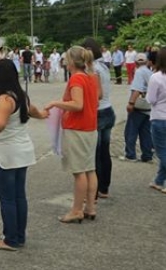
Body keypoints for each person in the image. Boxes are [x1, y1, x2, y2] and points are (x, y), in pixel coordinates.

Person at [0, 59, 48, 251]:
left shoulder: (3, 99)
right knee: (19, 196)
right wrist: (45, 113)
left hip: (5, 154)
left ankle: (10, 238)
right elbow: (35, 112)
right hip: (22, 151)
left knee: (8, 199)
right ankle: (19, 236)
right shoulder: (21, 96)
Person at [45, 46, 99, 223]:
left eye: (66, 59)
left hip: (77, 129)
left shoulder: (76, 78)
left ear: (71, 62)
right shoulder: (91, 77)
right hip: (90, 128)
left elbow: (77, 104)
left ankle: (76, 210)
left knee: (78, 172)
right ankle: (90, 207)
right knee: (90, 169)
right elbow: (98, 97)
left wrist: (56, 103)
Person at [82, 38, 116, 199]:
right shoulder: (104, 66)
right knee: (104, 152)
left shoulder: (93, 69)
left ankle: (93, 191)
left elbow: (96, 95)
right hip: (108, 110)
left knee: (94, 154)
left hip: (98, 113)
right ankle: (104, 187)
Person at [120, 53, 153, 163]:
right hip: (148, 106)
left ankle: (130, 154)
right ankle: (147, 155)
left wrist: (131, 103)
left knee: (131, 131)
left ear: (136, 62)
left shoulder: (139, 72)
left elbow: (137, 89)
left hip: (139, 106)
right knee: (145, 132)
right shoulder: (149, 72)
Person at [146, 47, 166, 193]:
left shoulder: (156, 77)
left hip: (159, 117)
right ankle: (159, 180)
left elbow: (151, 99)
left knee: (162, 152)